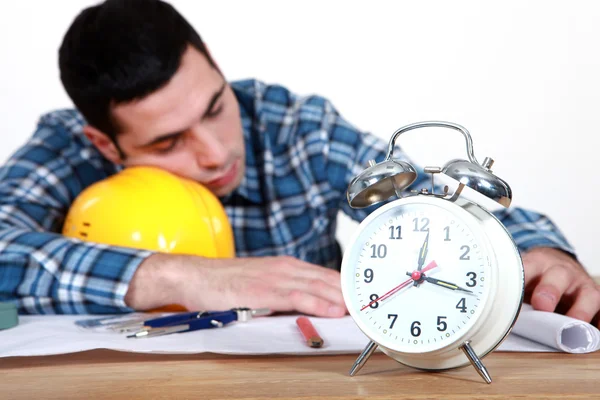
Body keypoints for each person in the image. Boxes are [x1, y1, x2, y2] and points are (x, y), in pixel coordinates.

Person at [0, 0, 598, 327]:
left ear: (215, 66)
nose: (215, 154)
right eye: (167, 144)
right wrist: (183, 276)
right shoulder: (68, 147)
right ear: (106, 145)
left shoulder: (295, 128)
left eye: (215, 107)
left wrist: (539, 253)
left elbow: (435, 206)